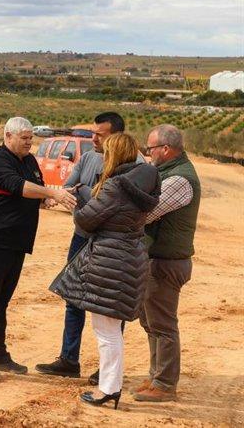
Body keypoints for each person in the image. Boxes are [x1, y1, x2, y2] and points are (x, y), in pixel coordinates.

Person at [50, 133, 160, 409]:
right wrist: (91, 193)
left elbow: (87, 221)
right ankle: (110, 386)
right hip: (127, 258)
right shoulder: (142, 183)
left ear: (115, 155)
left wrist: (82, 199)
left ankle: (109, 388)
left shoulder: (115, 187)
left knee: (106, 332)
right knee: (111, 330)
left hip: (110, 261)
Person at [0, 117, 77, 382]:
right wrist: (53, 193)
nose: (30, 142)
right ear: (8, 136)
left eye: (31, 138)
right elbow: (19, 186)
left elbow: (25, 193)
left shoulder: (28, 161)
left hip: (15, 243)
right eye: (25, 138)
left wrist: (42, 201)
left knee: (0, 302)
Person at [36, 112, 141, 384]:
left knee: (110, 306)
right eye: (93, 133)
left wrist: (90, 201)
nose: (93, 138)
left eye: (100, 134)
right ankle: (69, 359)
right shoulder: (88, 158)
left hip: (112, 245)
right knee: (73, 298)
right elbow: (69, 190)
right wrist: (85, 200)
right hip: (82, 237)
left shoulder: (136, 166)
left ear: (116, 136)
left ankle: (105, 372)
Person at [133, 125, 200, 402]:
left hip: (166, 261)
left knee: (162, 324)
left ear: (166, 149)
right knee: (150, 322)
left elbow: (147, 213)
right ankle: (155, 376)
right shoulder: (167, 173)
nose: (148, 154)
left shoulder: (179, 180)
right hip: (158, 258)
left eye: (150, 149)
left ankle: (164, 384)